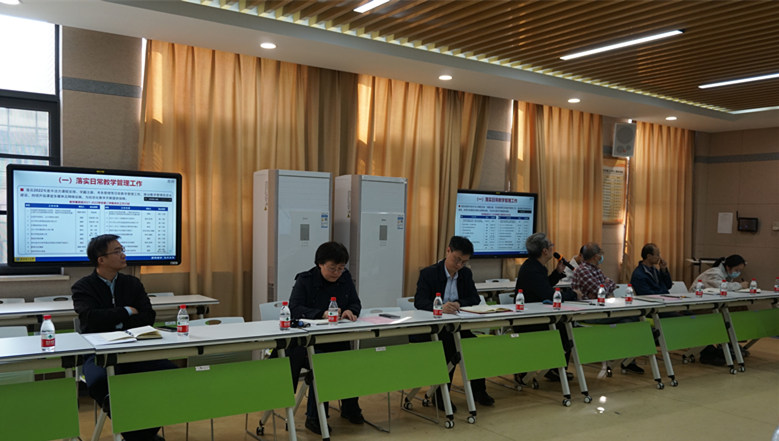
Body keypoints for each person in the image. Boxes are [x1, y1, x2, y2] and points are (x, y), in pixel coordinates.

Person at [72, 234, 175, 441]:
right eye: (117, 251)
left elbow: (148, 316)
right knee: (100, 381)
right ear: (101, 259)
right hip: (98, 352)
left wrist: (113, 320)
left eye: (122, 250)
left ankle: (141, 434)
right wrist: (127, 311)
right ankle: (140, 436)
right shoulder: (83, 287)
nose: (123, 255)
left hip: (135, 348)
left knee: (170, 373)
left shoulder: (132, 283)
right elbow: (91, 319)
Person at [287, 241, 363, 435]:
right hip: (307, 344)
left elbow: (355, 303)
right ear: (320, 264)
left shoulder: (345, 278)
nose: (337, 273)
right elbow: (294, 309)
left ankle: (349, 407)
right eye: (332, 268)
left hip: (336, 339)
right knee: (324, 364)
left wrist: (350, 311)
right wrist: (321, 314)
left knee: (351, 360)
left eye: (340, 268)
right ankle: (314, 417)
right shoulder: (305, 280)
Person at [414, 236, 495, 411]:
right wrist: (440, 307)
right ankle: (441, 396)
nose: (459, 265)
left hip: (456, 327)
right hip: (433, 330)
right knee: (449, 347)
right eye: (457, 259)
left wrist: (458, 303)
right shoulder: (429, 273)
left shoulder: (465, 274)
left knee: (475, 346)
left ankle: (479, 391)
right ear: (448, 251)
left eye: (464, 262)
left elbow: (474, 298)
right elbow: (419, 301)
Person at [571, 242, 643, 374]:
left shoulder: (596, 269)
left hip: (601, 310)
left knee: (630, 320)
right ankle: (624, 358)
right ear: (595, 256)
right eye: (600, 254)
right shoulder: (583, 270)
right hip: (589, 314)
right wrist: (604, 289)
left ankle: (627, 360)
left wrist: (604, 289)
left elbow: (611, 284)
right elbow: (600, 290)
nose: (602, 257)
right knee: (632, 315)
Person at [514, 232, 572, 382]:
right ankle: (553, 368)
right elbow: (548, 294)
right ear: (545, 251)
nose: (553, 247)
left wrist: (557, 273)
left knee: (564, 325)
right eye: (551, 245)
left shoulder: (536, 266)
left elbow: (543, 286)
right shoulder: (532, 269)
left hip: (538, 313)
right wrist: (573, 295)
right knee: (563, 327)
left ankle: (555, 368)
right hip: (528, 319)